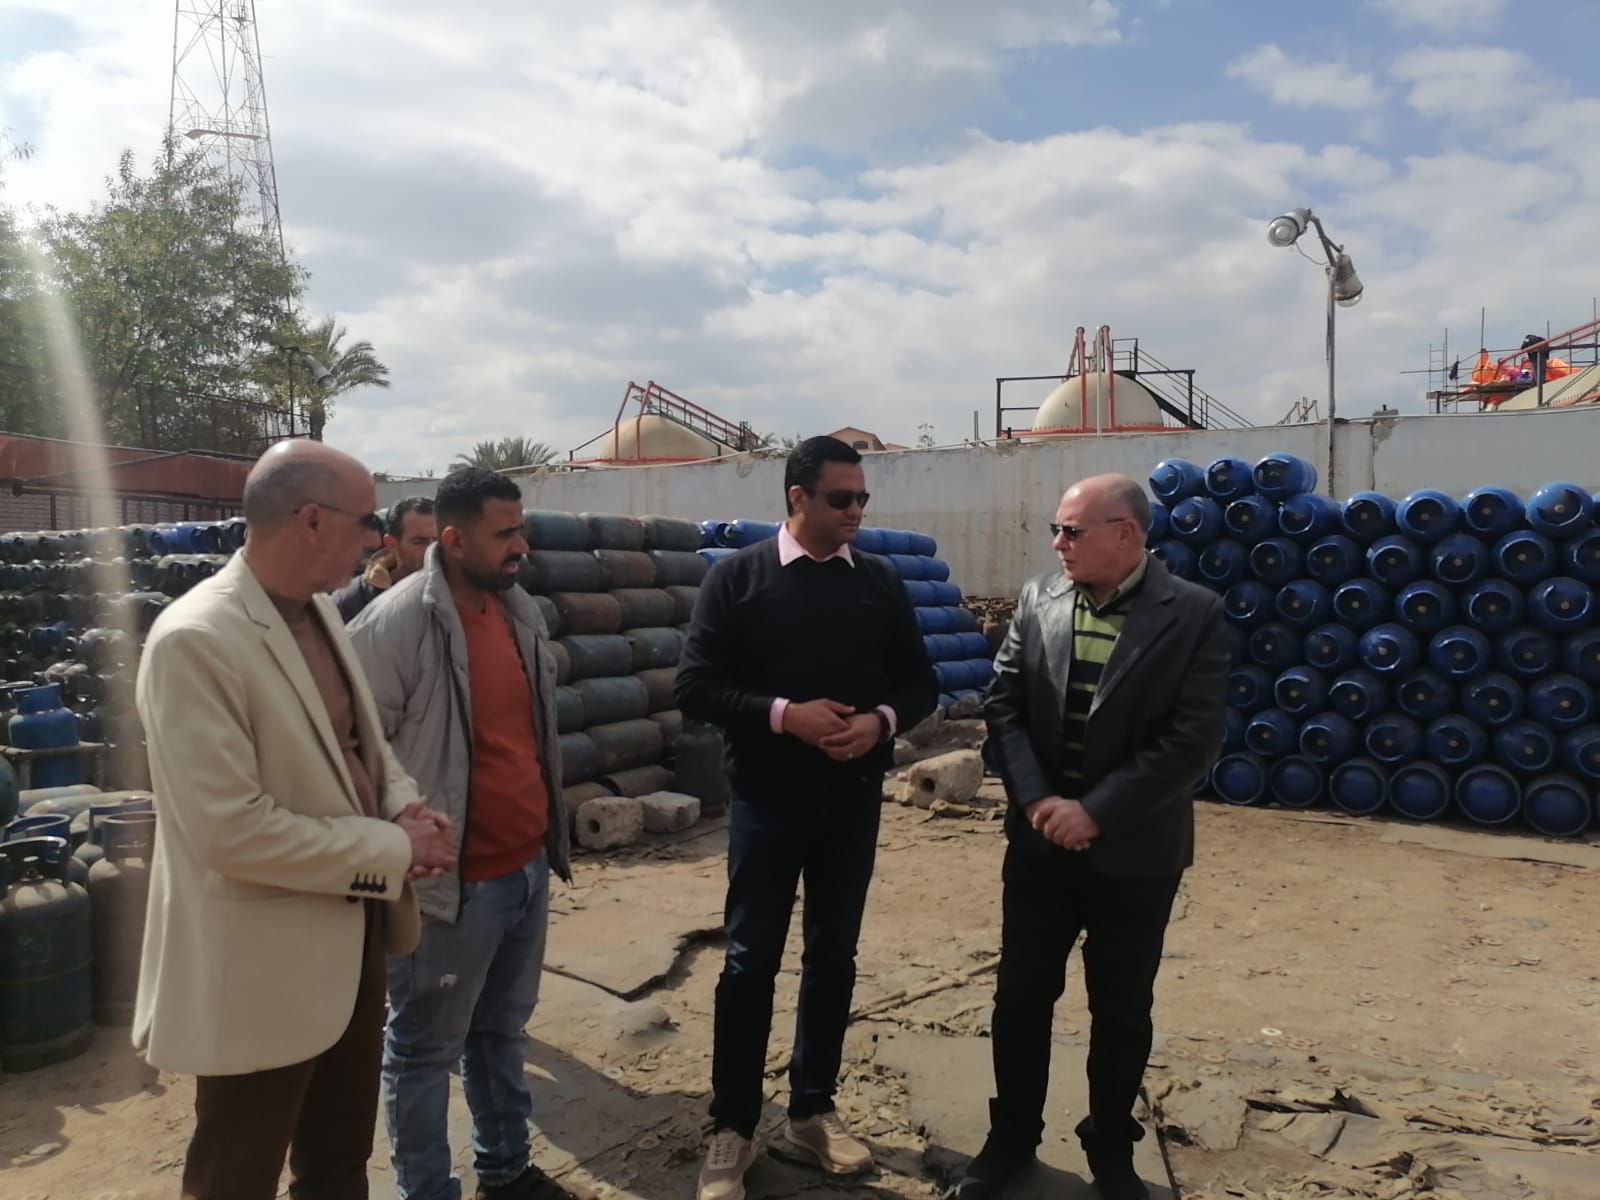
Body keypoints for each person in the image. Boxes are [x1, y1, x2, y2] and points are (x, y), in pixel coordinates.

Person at [132, 439, 456, 1200]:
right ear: (311, 519)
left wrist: (404, 805)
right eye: (366, 521)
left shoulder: (316, 612)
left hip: (351, 936)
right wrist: (391, 847)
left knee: (338, 1164)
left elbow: (363, 743)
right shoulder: (196, 640)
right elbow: (231, 830)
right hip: (261, 967)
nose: (377, 539)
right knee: (236, 1174)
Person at [950, 474, 1227, 1200]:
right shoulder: (1040, 599)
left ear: (1126, 533)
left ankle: (1111, 1149)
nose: (1058, 544)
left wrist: (1097, 811)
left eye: (1072, 531)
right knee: (1020, 998)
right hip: (1039, 845)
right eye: (1057, 530)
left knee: (1122, 1008)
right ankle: (1011, 1138)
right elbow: (1004, 705)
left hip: (1136, 854)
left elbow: (1192, 739)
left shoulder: (1193, 614)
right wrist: (1039, 799)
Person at [676, 435, 938, 1200]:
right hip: (767, 801)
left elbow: (919, 683)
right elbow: (695, 685)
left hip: (850, 800)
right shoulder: (739, 580)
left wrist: (881, 723)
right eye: (841, 498)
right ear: (798, 497)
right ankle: (732, 1127)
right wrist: (783, 715)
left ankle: (812, 1110)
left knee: (833, 956)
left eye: (862, 499)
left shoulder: (878, 583)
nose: (856, 511)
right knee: (749, 960)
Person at [346, 466, 572, 1200]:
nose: (521, 547)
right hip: (449, 888)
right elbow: (350, 752)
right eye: (505, 534)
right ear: (454, 540)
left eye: (521, 530)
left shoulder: (518, 611)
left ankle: (506, 1172)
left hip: (524, 868)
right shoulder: (395, 626)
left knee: (501, 1032)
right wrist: (399, 841)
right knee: (423, 1052)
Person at [335, 496, 438, 621]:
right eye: (419, 542)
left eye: (437, 540)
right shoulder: (353, 600)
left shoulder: (456, 592)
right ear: (392, 544)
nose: (432, 549)